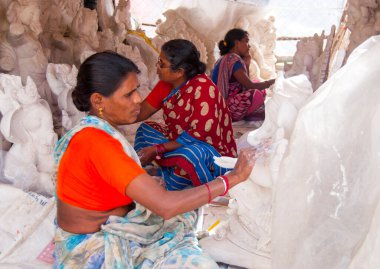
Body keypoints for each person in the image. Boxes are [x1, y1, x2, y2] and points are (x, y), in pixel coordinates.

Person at [54, 51, 256, 268]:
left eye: (137, 90)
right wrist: (231, 179)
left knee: (189, 182)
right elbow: (165, 206)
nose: (138, 98)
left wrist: (146, 174)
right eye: (128, 94)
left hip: (195, 143)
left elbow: (202, 131)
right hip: (92, 247)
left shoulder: (91, 131)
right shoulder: (97, 142)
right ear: (98, 100)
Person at [134, 39, 237, 191]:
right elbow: (141, 112)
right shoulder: (166, 84)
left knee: (189, 156)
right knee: (145, 130)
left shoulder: (203, 88)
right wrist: (110, 111)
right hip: (177, 141)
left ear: (179, 72)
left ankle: (169, 176)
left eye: (161, 64)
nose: (157, 67)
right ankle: (166, 171)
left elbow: (198, 135)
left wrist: (157, 149)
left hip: (208, 150)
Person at [211, 28, 276, 122]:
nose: (249, 46)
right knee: (256, 93)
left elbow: (245, 84)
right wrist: (271, 82)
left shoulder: (227, 58)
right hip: (225, 107)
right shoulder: (232, 60)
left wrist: (247, 64)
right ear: (237, 43)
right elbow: (250, 86)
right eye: (246, 41)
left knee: (257, 84)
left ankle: (248, 113)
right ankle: (245, 114)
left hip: (227, 103)